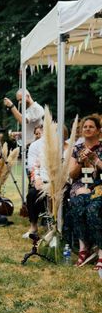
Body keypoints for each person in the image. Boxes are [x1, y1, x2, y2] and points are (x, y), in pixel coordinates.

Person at [65, 115, 102, 270]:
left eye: (91, 126)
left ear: (99, 130)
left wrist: (96, 159)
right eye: (85, 127)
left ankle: (100, 251)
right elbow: (72, 175)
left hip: (99, 186)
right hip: (80, 186)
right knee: (76, 204)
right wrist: (80, 161)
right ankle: (83, 248)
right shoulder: (76, 149)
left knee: (93, 209)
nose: (87, 129)